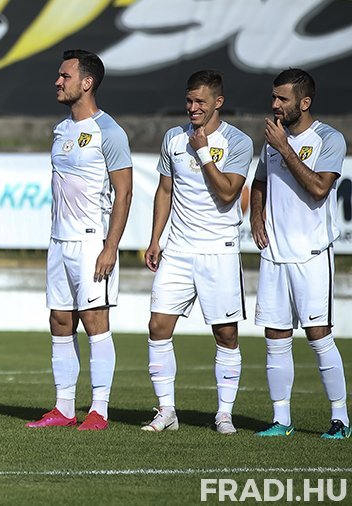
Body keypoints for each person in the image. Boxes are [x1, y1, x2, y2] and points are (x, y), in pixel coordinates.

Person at [142, 70, 252, 434]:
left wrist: (203, 150)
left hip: (219, 250)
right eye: (189, 101)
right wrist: (155, 239)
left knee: (226, 334)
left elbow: (228, 193)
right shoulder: (173, 138)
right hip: (178, 249)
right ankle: (166, 411)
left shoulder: (238, 142)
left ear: (218, 102)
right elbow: (165, 190)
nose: (193, 108)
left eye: (200, 102)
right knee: (158, 326)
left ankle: (224, 414)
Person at [28, 49, 132, 431]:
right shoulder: (60, 130)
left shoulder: (110, 132)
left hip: (91, 243)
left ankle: (99, 410)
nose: (57, 82)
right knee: (59, 320)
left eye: (65, 76)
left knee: (94, 321)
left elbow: (124, 193)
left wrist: (110, 247)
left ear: (87, 83)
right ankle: (64, 407)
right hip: (59, 241)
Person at [250, 68, 348, 440]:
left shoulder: (328, 138)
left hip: (311, 255)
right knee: (275, 337)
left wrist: (285, 148)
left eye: (283, 98)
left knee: (318, 335)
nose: (275, 104)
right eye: (274, 97)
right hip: (274, 255)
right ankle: (281, 420)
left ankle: (340, 419)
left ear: (304, 103)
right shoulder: (273, 139)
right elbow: (259, 181)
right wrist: (256, 216)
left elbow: (319, 188)